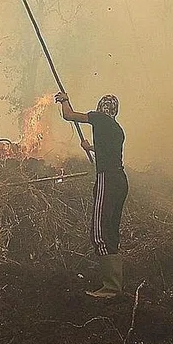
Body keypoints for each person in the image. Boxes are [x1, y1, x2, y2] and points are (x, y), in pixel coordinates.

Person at [55, 91, 128, 298]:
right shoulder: (116, 129)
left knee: (99, 232)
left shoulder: (99, 118)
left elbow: (69, 116)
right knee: (110, 230)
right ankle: (113, 285)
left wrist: (64, 100)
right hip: (120, 180)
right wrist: (90, 148)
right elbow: (108, 150)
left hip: (107, 179)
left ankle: (111, 288)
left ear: (100, 108)